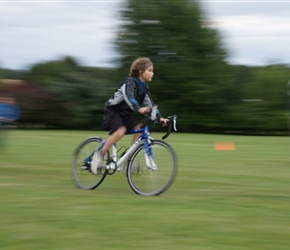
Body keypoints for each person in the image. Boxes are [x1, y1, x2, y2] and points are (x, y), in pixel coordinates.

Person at [90, 57, 168, 174]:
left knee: (140, 130)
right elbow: (129, 97)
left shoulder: (144, 87)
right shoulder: (129, 82)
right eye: (150, 70)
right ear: (141, 71)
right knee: (121, 131)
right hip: (113, 110)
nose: (153, 73)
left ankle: (129, 161)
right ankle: (99, 156)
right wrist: (138, 108)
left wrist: (160, 118)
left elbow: (150, 105)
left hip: (126, 113)